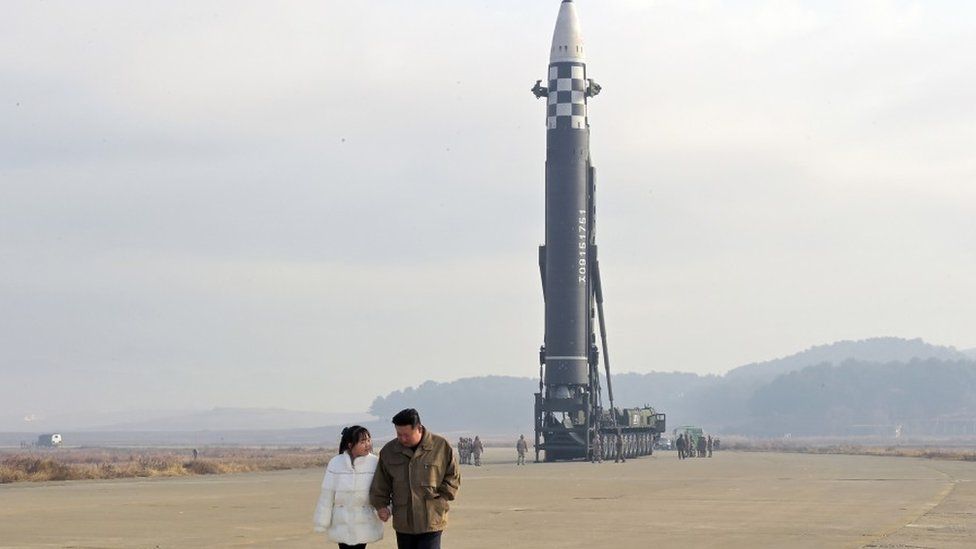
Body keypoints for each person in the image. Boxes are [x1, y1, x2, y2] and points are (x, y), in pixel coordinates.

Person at [370, 409, 460, 549]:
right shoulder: (389, 451)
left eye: (406, 435)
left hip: (431, 519)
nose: (402, 439)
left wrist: (442, 498)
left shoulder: (441, 447)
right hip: (403, 521)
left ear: (419, 428)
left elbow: (453, 477)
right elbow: (381, 483)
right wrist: (381, 506)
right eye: (399, 434)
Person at [314, 426, 384, 549]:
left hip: (363, 520)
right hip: (341, 521)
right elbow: (327, 495)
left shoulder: (375, 463)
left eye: (368, 440)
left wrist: (382, 510)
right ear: (350, 445)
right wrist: (322, 521)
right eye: (362, 442)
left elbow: (381, 490)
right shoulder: (336, 463)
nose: (367, 444)